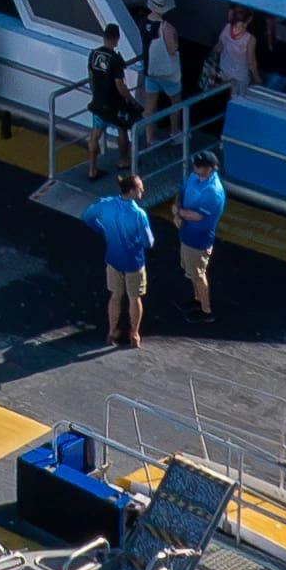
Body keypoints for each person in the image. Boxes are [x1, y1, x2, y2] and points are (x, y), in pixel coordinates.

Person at [84, 178, 156, 347]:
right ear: (131, 191)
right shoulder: (139, 215)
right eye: (140, 188)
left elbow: (87, 217)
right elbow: (148, 242)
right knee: (134, 298)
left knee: (115, 296)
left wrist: (103, 230)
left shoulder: (106, 204)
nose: (142, 190)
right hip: (134, 262)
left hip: (113, 259)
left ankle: (111, 332)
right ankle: (135, 334)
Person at [172, 148, 229, 325]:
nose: (195, 166)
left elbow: (198, 215)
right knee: (192, 271)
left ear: (210, 168)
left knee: (198, 274)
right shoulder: (193, 177)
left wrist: (178, 213)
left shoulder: (213, 191)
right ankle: (197, 300)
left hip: (199, 240)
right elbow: (180, 193)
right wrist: (177, 207)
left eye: (199, 165)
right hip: (187, 235)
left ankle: (206, 310)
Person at [83, 32, 135, 176]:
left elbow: (91, 76)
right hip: (114, 103)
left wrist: (96, 94)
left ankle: (91, 170)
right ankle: (124, 160)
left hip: (98, 102)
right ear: (116, 39)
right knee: (122, 129)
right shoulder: (115, 59)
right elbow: (119, 84)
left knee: (95, 135)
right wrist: (131, 99)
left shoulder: (93, 54)